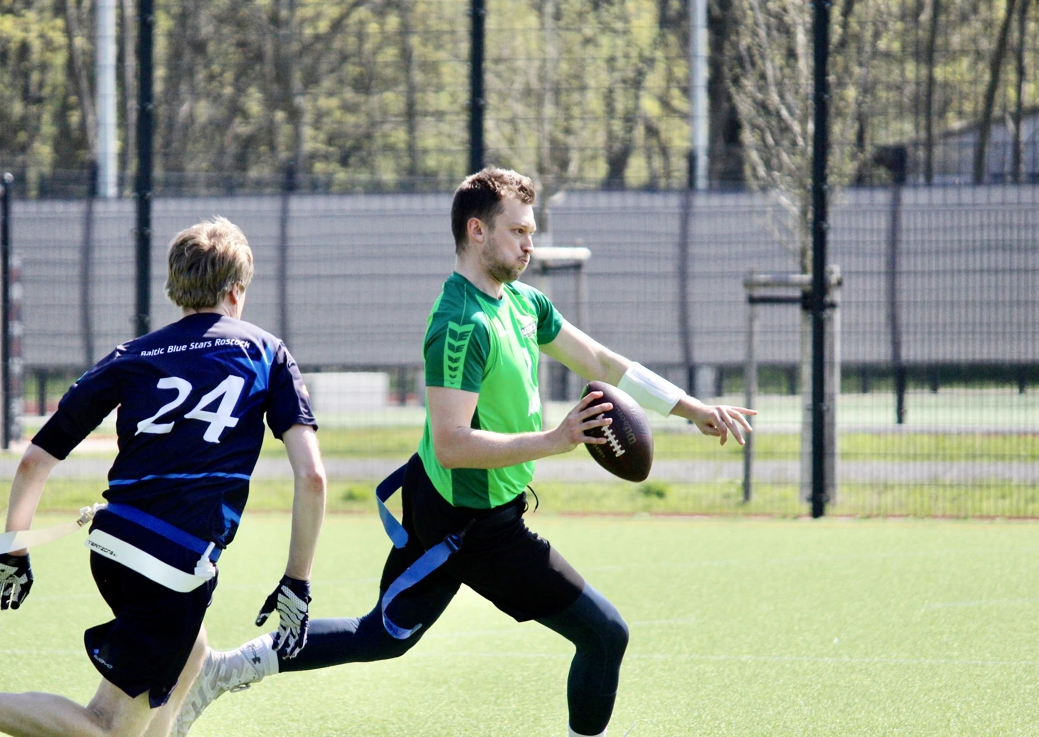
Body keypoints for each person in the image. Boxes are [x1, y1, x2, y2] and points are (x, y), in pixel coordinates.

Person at [172, 169, 755, 737]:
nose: (530, 243)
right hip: (470, 525)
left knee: (383, 636)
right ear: (477, 232)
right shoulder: (460, 325)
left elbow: (604, 364)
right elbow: (452, 446)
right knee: (606, 635)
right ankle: (225, 669)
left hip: (452, 503)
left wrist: (692, 408)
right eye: (518, 231)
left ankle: (227, 668)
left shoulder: (525, 305)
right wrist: (557, 440)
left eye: (531, 231)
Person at [0, 216, 327, 737]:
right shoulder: (267, 352)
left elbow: (34, 461)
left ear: (176, 287)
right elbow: (313, 476)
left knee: (193, 652)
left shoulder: (135, 354)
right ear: (236, 291)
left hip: (112, 543)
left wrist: (14, 549)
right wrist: (297, 581)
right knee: (109, 729)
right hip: (173, 564)